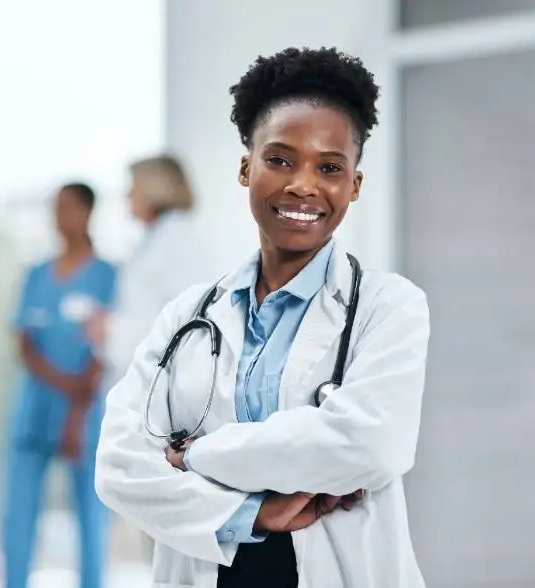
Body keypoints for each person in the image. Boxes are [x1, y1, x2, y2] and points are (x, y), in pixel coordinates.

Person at [93, 47, 431, 588]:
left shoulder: (388, 307)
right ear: (246, 168)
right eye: (280, 159)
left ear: (354, 184)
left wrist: (198, 456)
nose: (303, 184)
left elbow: (370, 446)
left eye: (329, 167)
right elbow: (118, 464)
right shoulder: (186, 315)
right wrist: (250, 512)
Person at [2, 183, 117, 588]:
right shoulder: (36, 275)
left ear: (87, 212)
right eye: (55, 207)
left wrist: (76, 404)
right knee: (18, 514)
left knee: (91, 514)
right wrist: (63, 382)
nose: (58, 216)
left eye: (67, 207)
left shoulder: (107, 277)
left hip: (85, 409)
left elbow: (110, 347)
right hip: (34, 407)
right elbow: (24, 342)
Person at [86, 154, 215, 388]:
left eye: (133, 187)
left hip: (161, 384)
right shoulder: (154, 240)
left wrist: (112, 329)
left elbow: (186, 324)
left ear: (154, 189)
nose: (127, 195)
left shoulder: (179, 241)